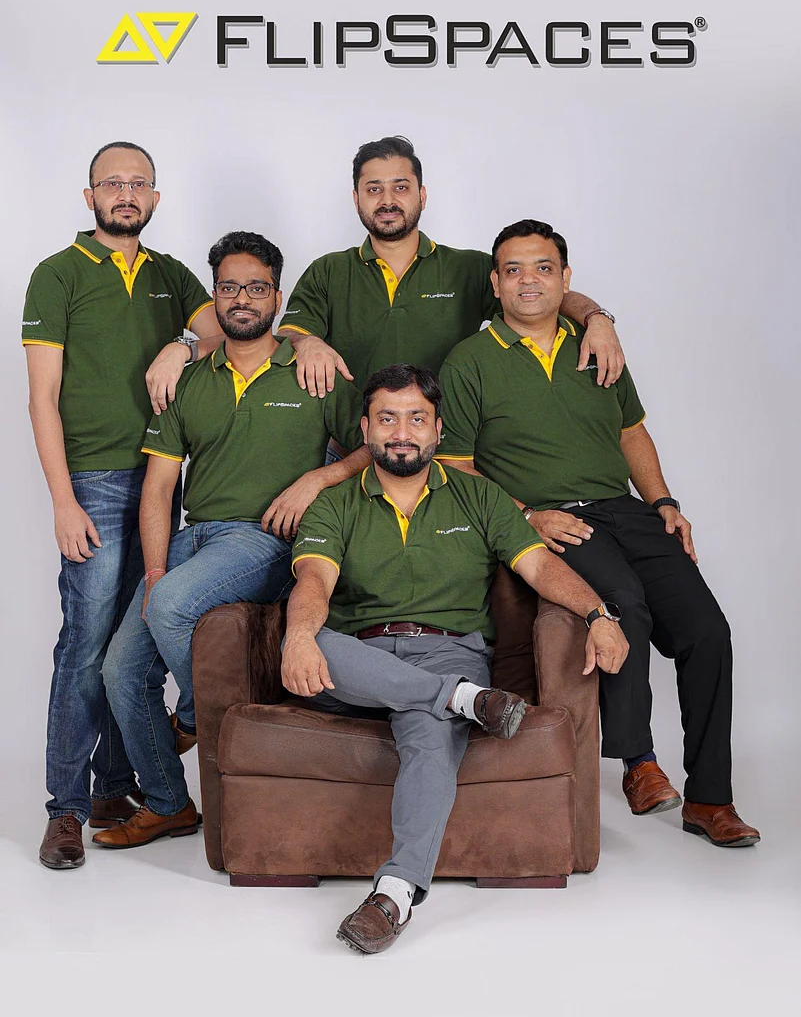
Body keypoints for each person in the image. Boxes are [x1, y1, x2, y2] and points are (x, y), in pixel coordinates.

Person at [282, 364, 629, 954]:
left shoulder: (479, 495)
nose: (402, 432)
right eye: (387, 418)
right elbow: (314, 582)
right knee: (316, 640)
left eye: (417, 419)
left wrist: (599, 614)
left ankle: (393, 893)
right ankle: (462, 701)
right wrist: (296, 634)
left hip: (449, 649)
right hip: (358, 653)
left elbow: (539, 567)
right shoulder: (335, 504)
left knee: (427, 732)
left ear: (438, 430)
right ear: (365, 429)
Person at [437, 218, 759, 847]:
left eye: (543, 268)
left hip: (625, 508)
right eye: (513, 270)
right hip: (552, 516)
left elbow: (630, 431)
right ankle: (639, 763)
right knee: (622, 606)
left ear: (565, 278)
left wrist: (663, 500)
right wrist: (523, 516)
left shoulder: (596, 346)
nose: (529, 281)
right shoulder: (470, 361)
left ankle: (711, 800)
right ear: (495, 284)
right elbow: (457, 466)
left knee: (707, 632)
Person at [93, 231, 369, 850]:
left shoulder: (313, 369)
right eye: (228, 287)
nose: (242, 298)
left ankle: (191, 714)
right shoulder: (189, 379)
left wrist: (316, 479)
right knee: (119, 669)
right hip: (196, 537)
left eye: (256, 286)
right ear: (215, 294)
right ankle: (168, 803)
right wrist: (158, 567)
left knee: (168, 607)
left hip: (265, 541)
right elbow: (160, 487)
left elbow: (371, 447)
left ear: (277, 293)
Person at [23, 141, 223, 871]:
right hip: (97, 483)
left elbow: (217, 324)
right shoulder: (59, 274)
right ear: (89, 196)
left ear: (156, 198)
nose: (126, 192)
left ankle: (114, 788)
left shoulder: (169, 274)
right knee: (84, 645)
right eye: (113, 182)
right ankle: (66, 809)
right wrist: (63, 500)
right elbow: (42, 397)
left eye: (139, 183)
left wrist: (178, 343)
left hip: (162, 481)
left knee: (129, 645)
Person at [274, 135, 626, 403]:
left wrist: (597, 318)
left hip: (447, 449)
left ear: (422, 196)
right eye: (373, 189)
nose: (387, 201)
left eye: (401, 187)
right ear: (356, 199)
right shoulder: (327, 271)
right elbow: (290, 332)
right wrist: (307, 342)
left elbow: (537, 293)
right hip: (347, 449)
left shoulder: (469, 267)